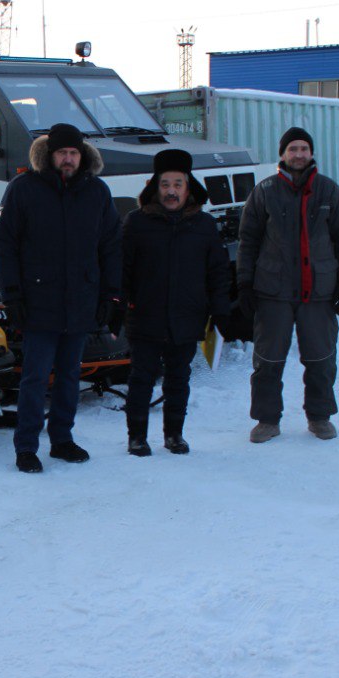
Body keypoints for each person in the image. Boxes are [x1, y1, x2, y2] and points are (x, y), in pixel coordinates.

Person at [0, 123, 121, 473]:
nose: (68, 159)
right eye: (62, 152)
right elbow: (4, 244)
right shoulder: (24, 188)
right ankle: (26, 447)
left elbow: (110, 246)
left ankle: (62, 440)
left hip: (81, 298)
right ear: (50, 155)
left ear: (82, 156)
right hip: (38, 301)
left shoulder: (97, 192)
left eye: (74, 153)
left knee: (69, 375)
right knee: (34, 377)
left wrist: (111, 294)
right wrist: (13, 295)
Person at [236, 127, 339, 443]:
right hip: (272, 291)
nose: (299, 154)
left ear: (311, 152)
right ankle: (267, 420)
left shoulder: (329, 192)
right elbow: (247, 241)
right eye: (293, 149)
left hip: (318, 291)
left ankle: (319, 417)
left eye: (304, 148)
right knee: (268, 360)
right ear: (283, 154)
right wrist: (244, 284)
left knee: (320, 358)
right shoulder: (264, 191)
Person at [115, 149, 231, 456]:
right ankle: (136, 437)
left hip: (188, 316)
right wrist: (117, 307)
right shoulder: (136, 223)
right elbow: (121, 271)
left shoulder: (204, 225)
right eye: (165, 184)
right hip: (145, 316)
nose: (171, 191)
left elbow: (218, 272)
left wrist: (221, 311)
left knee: (179, 378)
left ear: (188, 187)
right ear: (155, 187)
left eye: (178, 184)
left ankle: (174, 435)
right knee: (141, 378)